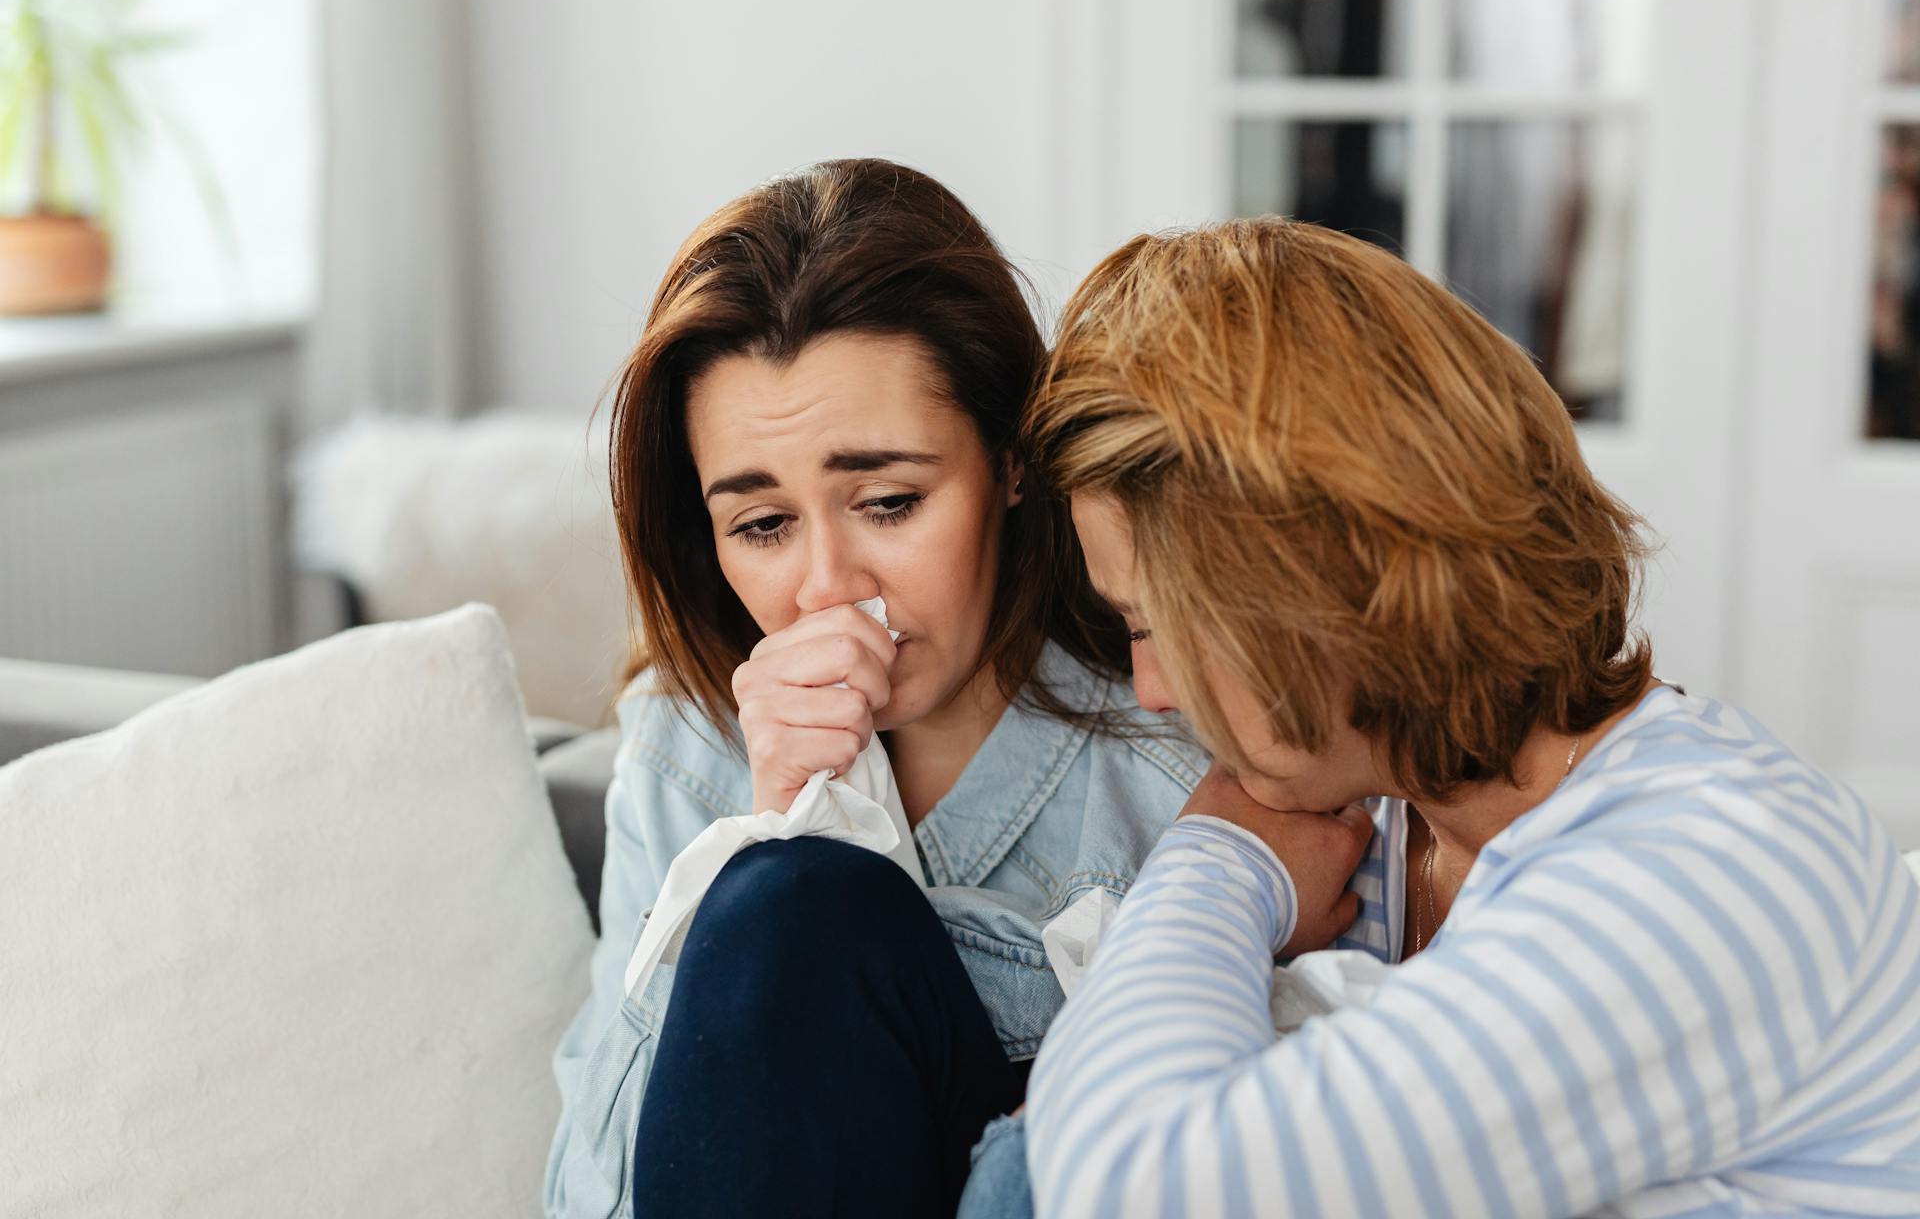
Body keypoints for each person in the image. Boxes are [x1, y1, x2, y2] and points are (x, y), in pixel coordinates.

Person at [990, 217, 1920, 1217]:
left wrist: (1219, 860)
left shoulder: (1710, 872)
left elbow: (1131, 1186)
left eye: (1159, 625)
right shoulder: (1400, 820)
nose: (1155, 690)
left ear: (1320, 581)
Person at [542, 159, 1202, 1219]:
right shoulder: (687, 740)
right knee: (775, 894)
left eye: (889, 501)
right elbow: (592, 1197)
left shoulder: (1171, 754)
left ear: (1012, 462)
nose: (825, 588)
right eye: (761, 525)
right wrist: (765, 828)